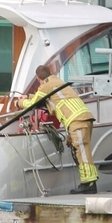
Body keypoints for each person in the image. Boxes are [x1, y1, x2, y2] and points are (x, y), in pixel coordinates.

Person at [20, 66, 99, 194]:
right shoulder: (58, 82)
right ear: (50, 73)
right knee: (82, 151)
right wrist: (28, 96)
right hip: (84, 117)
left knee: (82, 152)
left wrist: (20, 103)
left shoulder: (45, 86)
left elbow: (33, 104)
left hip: (76, 120)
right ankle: (88, 182)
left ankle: (89, 184)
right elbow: (44, 99)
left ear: (38, 78)